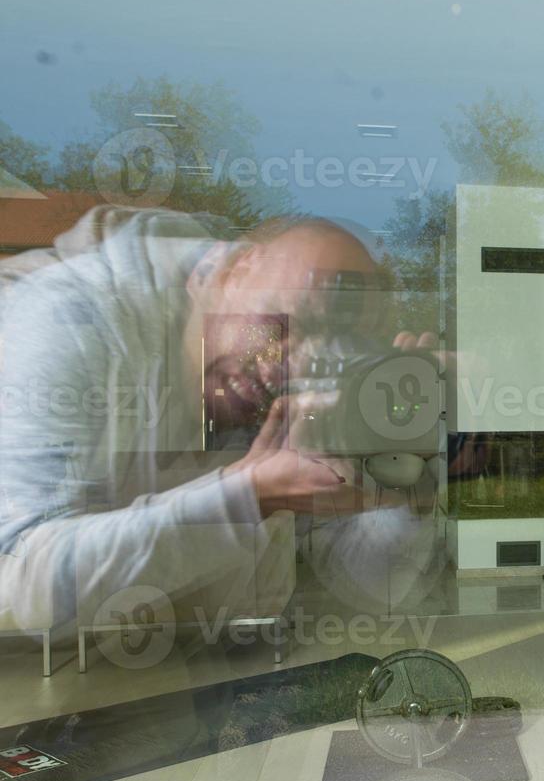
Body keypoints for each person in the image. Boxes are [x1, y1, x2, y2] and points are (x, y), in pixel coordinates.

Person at [0, 206, 437, 676]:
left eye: (328, 347)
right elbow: (16, 581)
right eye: (285, 325)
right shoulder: (70, 319)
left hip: (202, 671)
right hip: (45, 688)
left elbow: (370, 590)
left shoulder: (273, 383)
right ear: (233, 270)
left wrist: (404, 486)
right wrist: (247, 497)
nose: (287, 366)